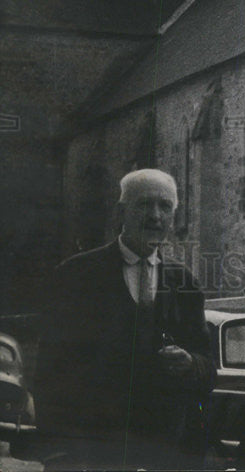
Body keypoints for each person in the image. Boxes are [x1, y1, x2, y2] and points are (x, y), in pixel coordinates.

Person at [34, 169, 215, 471]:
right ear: (122, 211)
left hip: (164, 451)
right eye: (144, 204)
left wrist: (189, 363)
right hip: (95, 451)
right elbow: (50, 369)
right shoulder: (77, 275)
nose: (155, 215)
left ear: (173, 215)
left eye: (165, 206)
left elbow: (208, 370)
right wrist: (57, 453)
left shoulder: (185, 283)